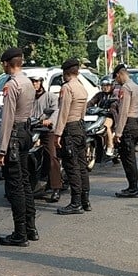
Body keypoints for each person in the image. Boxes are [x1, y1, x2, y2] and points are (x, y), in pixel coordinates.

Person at [0, 48, 37, 246]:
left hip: (13, 137)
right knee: (25, 182)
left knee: (15, 186)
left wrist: (0, 150)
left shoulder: (11, 85)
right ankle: (30, 228)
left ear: (6, 63)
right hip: (26, 133)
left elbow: (7, 119)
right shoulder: (28, 82)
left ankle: (20, 233)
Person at [55, 58, 90, 215]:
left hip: (69, 128)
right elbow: (83, 112)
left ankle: (75, 203)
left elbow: (63, 113)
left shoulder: (67, 88)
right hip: (80, 128)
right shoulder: (82, 88)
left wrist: (58, 134)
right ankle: (85, 200)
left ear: (65, 72)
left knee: (72, 166)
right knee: (82, 166)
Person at [29, 74, 62, 203]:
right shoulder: (27, 98)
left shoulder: (50, 96)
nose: (34, 84)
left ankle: (56, 188)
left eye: (36, 81)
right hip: (32, 130)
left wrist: (49, 121)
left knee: (52, 157)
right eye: (32, 82)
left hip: (47, 131)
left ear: (41, 82)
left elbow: (56, 111)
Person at [112, 64, 138, 198]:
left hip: (127, 124)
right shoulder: (137, 88)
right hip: (135, 122)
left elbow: (123, 112)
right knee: (131, 158)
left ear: (119, 74)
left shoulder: (125, 88)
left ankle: (133, 188)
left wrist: (118, 133)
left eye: (116, 78)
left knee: (128, 159)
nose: (116, 82)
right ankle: (132, 187)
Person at [87, 78, 117, 157]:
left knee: (106, 126)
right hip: (99, 116)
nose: (105, 87)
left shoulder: (114, 95)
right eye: (103, 85)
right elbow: (91, 102)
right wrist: (85, 107)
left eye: (107, 85)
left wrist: (111, 109)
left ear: (112, 86)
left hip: (110, 116)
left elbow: (115, 104)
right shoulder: (99, 95)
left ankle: (110, 146)